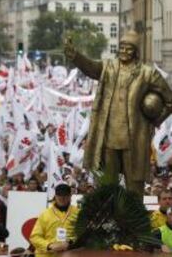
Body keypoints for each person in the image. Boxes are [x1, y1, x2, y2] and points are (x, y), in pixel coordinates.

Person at [64, 31, 172, 196]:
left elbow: (169, 100)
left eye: (129, 49)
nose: (124, 51)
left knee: (134, 185)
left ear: (136, 51)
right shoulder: (109, 67)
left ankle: (134, 218)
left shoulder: (147, 73)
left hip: (135, 138)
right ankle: (108, 216)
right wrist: (75, 56)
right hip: (109, 136)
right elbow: (91, 68)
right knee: (108, 185)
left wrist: (155, 121)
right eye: (121, 48)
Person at [30, 183, 78, 257]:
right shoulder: (45, 214)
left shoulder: (77, 213)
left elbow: (82, 233)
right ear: (55, 196)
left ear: (70, 196)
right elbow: (34, 237)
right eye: (59, 196)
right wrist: (50, 245)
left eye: (65, 196)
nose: (62, 199)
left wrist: (70, 242)